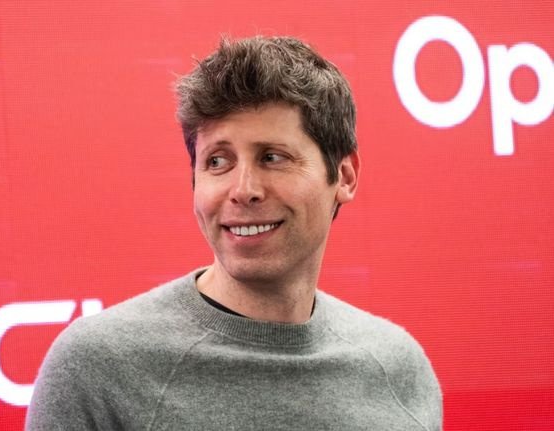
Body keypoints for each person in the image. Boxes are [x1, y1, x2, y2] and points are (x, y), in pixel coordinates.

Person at [26, 36, 442, 430]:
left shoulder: (399, 369)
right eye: (218, 161)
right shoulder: (99, 369)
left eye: (273, 157)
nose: (243, 190)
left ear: (345, 176)